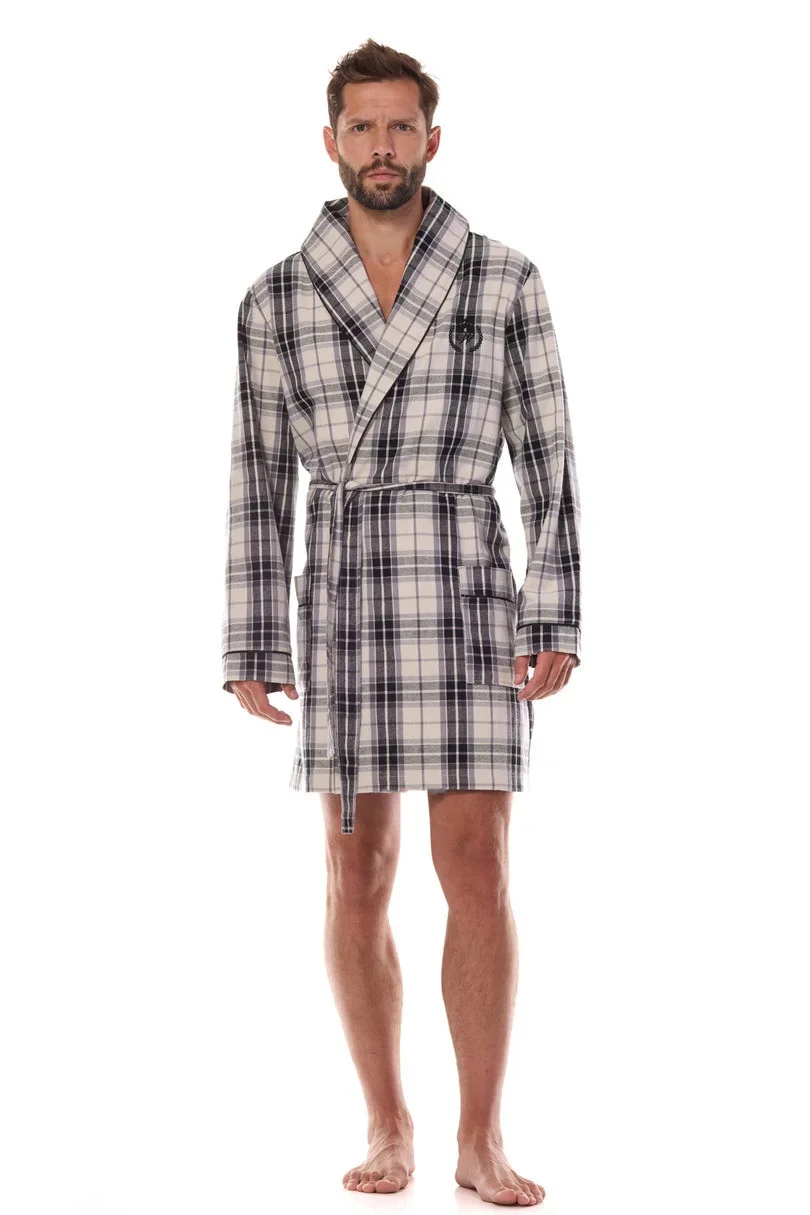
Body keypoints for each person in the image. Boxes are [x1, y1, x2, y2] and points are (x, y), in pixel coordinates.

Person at [221, 37, 582, 1207]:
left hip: (464, 585)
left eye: (401, 126)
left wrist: (555, 608)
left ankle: (481, 1136)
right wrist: (252, 640)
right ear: (331, 142)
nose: (383, 146)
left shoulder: (503, 279)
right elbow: (257, 476)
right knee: (355, 870)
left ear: (433, 137)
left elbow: (550, 455)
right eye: (362, 127)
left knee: (477, 863)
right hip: (345, 594)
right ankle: (388, 1123)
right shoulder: (276, 297)